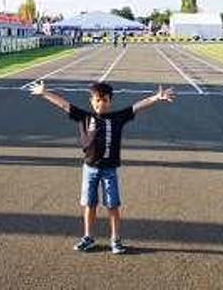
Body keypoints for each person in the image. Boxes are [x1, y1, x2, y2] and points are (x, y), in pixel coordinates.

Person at [30, 80, 175, 254]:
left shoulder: (117, 118)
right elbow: (63, 105)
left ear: (110, 101)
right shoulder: (85, 117)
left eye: (105, 100)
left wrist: (156, 98)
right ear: (92, 101)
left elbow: (137, 107)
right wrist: (45, 93)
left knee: (112, 205)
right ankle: (88, 237)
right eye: (97, 100)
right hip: (89, 169)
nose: (101, 104)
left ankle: (116, 239)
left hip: (109, 170)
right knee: (89, 205)